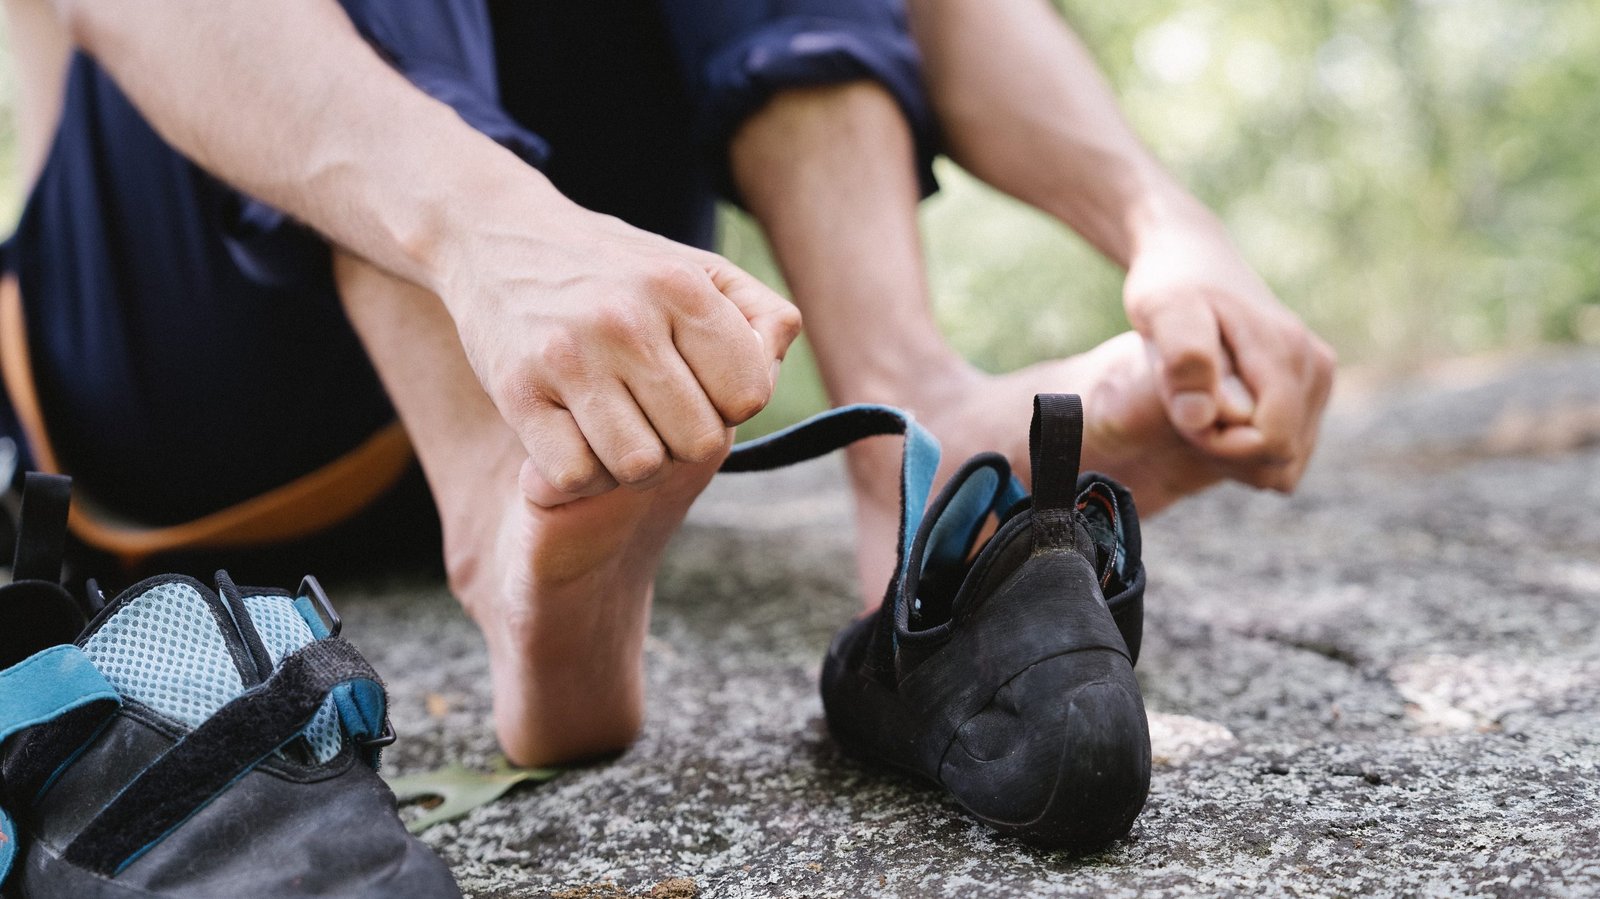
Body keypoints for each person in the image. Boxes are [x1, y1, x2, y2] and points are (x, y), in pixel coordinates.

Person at [0, 0, 1334, 769]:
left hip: (585, 333)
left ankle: (909, 415)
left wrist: (1164, 225)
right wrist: (481, 226)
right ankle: (496, 503)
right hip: (195, 358)